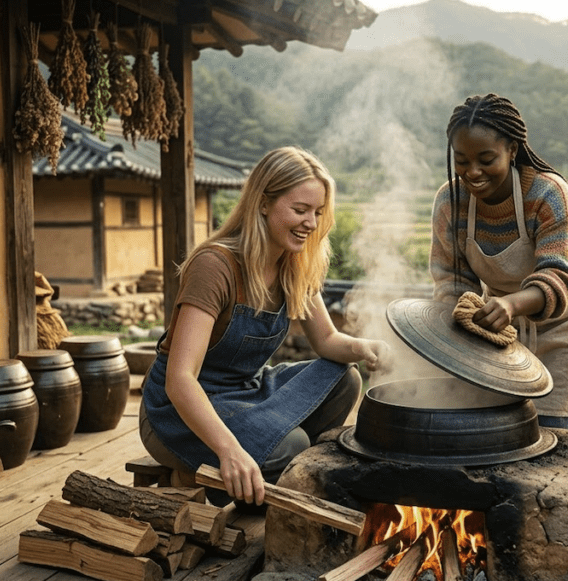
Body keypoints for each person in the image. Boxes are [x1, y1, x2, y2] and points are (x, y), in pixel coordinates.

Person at [139, 146, 392, 508]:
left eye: (318, 212)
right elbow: (180, 379)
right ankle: (247, 465)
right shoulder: (215, 266)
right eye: (300, 210)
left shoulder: (294, 264)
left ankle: (270, 461)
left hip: (248, 393)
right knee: (292, 446)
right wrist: (230, 450)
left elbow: (327, 340)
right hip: (177, 412)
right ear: (262, 203)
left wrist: (366, 347)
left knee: (344, 378)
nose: (311, 223)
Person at [430, 93, 568, 430]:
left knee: (555, 433)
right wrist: (460, 324)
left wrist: (510, 304)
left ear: (512, 149)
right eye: (462, 160)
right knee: (502, 429)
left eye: (486, 159)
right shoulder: (450, 202)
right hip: (501, 324)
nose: (473, 172)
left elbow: (557, 274)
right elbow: (452, 281)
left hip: (564, 322)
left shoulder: (547, 193)